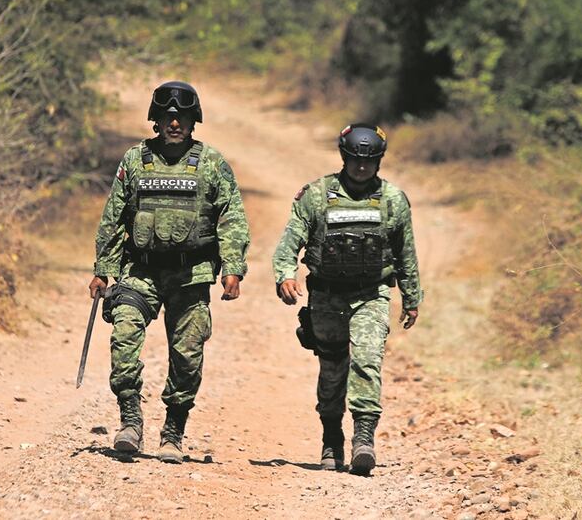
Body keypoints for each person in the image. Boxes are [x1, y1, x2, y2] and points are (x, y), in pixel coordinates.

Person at [88, 81, 249, 464]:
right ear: (156, 121)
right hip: (139, 271)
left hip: (190, 275)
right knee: (124, 338)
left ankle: (173, 431)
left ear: (194, 122)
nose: (174, 123)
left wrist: (233, 268)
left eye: (182, 117)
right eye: (167, 117)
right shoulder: (134, 160)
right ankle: (130, 420)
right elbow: (114, 217)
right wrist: (103, 270)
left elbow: (232, 218)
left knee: (188, 355)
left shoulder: (211, 164)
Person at [272, 123, 423, 475]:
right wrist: (284, 274)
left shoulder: (393, 200)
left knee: (367, 360)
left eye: (369, 162)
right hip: (326, 297)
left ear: (379, 162)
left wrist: (412, 296)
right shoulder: (316, 195)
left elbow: (406, 253)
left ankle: (364, 439)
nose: (361, 167)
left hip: (372, 294)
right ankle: (331, 438)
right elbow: (291, 240)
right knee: (333, 368)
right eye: (355, 160)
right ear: (344, 156)